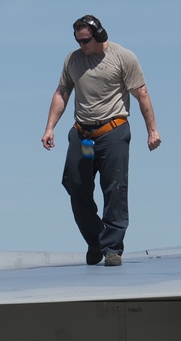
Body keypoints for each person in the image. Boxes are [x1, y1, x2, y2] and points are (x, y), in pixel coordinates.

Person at [41, 15, 161, 267]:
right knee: (75, 185)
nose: (82, 45)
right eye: (78, 40)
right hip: (84, 137)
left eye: (85, 40)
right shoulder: (73, 60)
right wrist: (49, 127)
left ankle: (112, 248)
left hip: (112, 133)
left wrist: (152, 130)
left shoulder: (122, 57)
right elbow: (62, 92)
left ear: (99, 36)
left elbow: (142, 94)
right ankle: (96, 240)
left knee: (114, 189)